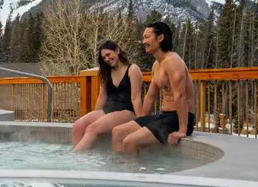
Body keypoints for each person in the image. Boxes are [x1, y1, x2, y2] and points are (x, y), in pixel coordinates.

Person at [112, 21, 195, 155]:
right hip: (164, 116)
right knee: (117, 132)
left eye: (146, 37)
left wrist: (182, 130)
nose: (143, 41)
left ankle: (132, 174)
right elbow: (150, 97)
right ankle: (120, 170)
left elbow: (180, 95)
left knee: (129, 141)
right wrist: (141, 120)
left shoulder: (173, 61)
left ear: (160, 38)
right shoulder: (157, 64)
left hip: (179, 119)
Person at [72, 40, 143, 152]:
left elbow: (136, 98)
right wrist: (96, 116)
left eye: (108, 55)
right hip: (108, 110)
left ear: (117, 50)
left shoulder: (133, 69)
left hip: (127, 111)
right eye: (104, 58)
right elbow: (102, 96)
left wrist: (141, 121)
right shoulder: (106, 72)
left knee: (92, 128)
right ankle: (83, 157)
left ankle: (75, 159)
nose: (107, 59)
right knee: (78, 126)